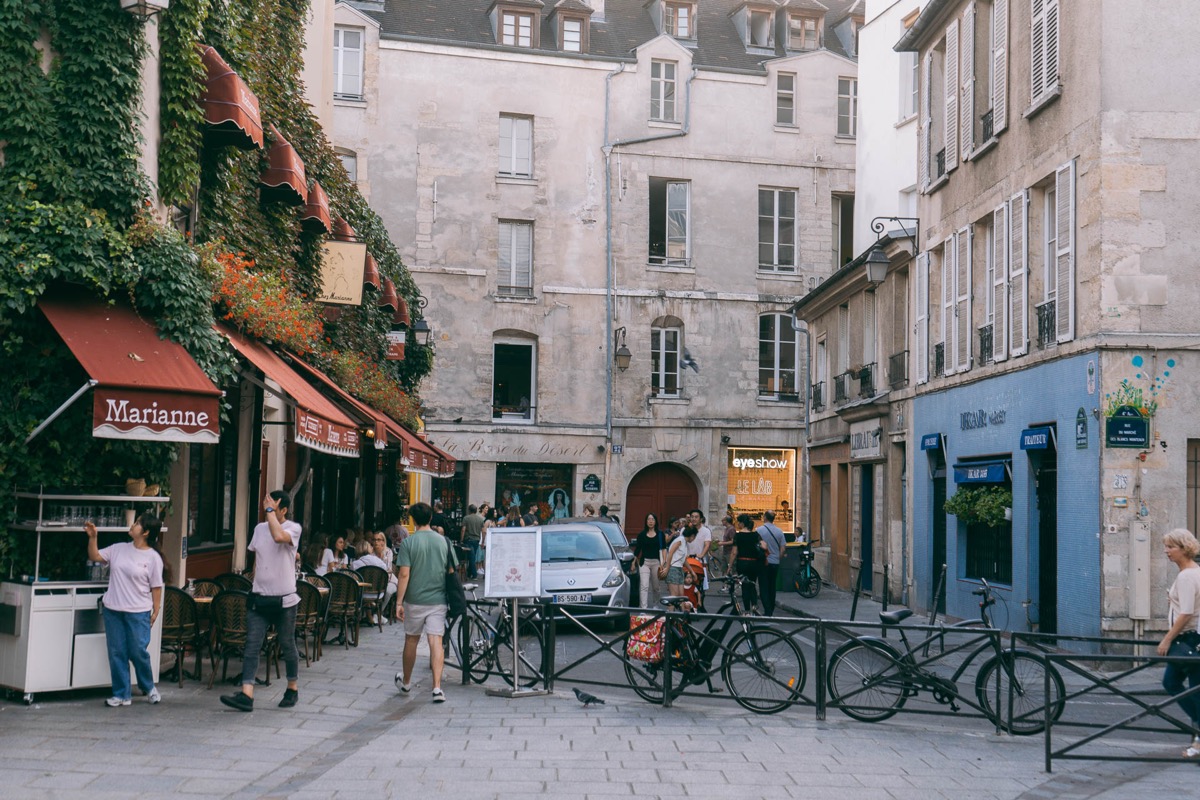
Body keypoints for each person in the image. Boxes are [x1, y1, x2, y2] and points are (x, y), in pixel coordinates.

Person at [221, 491, 302, 712]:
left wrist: (269, 513)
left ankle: (292, 688)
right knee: (252, 645)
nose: (267, 510)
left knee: (286, 643)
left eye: (272, 507)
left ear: (283, 510)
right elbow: (258, 558)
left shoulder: (293, 528)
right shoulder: (259, 529)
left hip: (285, 599)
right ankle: (247, 693)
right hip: (259, 597)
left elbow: (278, 537)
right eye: (265, 506)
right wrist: (256, 581)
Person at [85, 513, 164, 707]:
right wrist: (93, 537)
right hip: (113, 608)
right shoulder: (119, 549)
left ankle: (148, 686)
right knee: (117, 651)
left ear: (145, 532)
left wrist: (156, 610)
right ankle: (121, 694)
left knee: (138, 651)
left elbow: (156, 586)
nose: (133, 525)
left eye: (137, 523)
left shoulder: (153, 558)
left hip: (139, 611)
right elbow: (94, 556)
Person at [394, 502, 457, 703]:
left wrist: (398, 602)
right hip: (438, 600)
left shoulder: (408, 543)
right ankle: (437, 687)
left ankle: (406, 682)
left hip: (414, 600)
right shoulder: (444, 542)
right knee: (435, 640)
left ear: (413, 519)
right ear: (431, 518)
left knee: (411, 639)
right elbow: (451, 571)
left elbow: (404, 574)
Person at [1158, 528, 1200, 758]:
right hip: (1195, 637)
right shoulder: (1196, 572)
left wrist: (1167, 639)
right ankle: (1198, 738)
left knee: (1176, 684)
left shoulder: (1186, 576)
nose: (1166, 551)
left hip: (1188, 639)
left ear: (1184, 549)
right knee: (1193, 689)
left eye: (1171, 547)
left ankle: (1199, 740)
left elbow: (1185, 613)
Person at [353, 532, 399, 624]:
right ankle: (372, 615)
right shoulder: (370, 553)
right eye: (374, 540)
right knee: (368, 588)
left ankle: (378, 613)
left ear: (383, 541)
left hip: (389, 580)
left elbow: (388, 570)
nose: (376, 542)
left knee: (389, 591)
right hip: (373, 582)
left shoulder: (388, 552)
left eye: (379, 540)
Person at [631, 513, 666, 607]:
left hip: (656, 563)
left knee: (656, 587)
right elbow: (638, 549)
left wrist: (664, 563)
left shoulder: (660, 534)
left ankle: (655, 605)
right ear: (646, 522)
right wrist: (633, 563)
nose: (650, 521)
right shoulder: (642, 535)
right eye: (649, 519)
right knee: (644, 586)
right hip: (644, 563)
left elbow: (663, 549)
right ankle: (643, 608)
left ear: (655, 521)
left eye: (652, 519)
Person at [756, 510, 787, 616]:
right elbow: (783, 549)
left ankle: (767, 609)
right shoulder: (779, 531)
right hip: (775, 562)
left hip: (763, 562)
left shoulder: (759, 530)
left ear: (765, 518)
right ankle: (771, 609)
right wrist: (778, 558)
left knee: (763, 586)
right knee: (772, 586)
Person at [733, 513, 766, 614]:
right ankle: (754, 605)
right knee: (752, 584)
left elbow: (734, 552)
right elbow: (764, 546)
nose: (737, 524)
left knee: (744, 586)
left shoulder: (738, 535)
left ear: (742, 523)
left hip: (742, 562)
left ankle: (747, 609)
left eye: (738, 522)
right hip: (753, 563)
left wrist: (730, 566)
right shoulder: (755, 535)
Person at [664, 526, 693, 597]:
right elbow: (670, 553)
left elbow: (684, 559)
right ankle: (670, 608)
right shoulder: (680, 540)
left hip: (679, 569)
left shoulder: (685, 543)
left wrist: (692, 571)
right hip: (673, 568)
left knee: (681, 595)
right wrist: (667, 568)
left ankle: (682, 608)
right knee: (674, 595)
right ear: (692, 536)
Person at [460, 504, 485, 579]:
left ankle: (474, 574)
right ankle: (470, 573)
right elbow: (483, 531)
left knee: (471, 557)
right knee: (472, 556)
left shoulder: (466, 518)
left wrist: (461, 539)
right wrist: (483, 541)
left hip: (468, 539)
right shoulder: (480, 519)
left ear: (469, 510)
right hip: (477, 539)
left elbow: (463, 529)